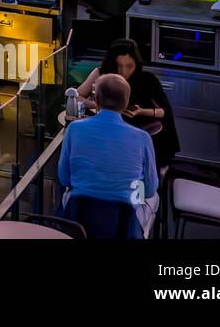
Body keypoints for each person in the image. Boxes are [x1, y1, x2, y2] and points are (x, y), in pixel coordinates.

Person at [58, 73, 159, 235]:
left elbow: (64, 178)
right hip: (124, 224)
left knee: (68, 193)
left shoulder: (74, 129)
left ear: (96, 101)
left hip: (79, 217)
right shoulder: (143, 138)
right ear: (126, 102)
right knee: (154, 198)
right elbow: (149, 190)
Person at [76, 39, 180, 167]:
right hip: (110, 136)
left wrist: (141, 111)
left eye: (129, 66)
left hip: (140, 134)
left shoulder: (148, 79)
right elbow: (76, 97)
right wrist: (100, 105)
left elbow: (165, 111)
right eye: (119, 66)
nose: (124, 72)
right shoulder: (101, 74)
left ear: (136, 63)